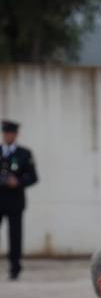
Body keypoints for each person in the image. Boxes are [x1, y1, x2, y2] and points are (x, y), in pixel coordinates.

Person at [0, 119, 39, 280]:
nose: (7, 136)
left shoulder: (24, 153)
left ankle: (15, 268)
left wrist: (19, 182)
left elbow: (33, 177)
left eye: (10, 133)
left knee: (15, 236)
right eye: (5, 133)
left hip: (15, 201)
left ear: (15, 135)